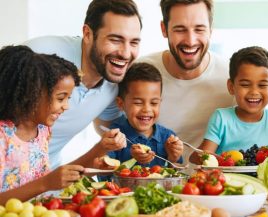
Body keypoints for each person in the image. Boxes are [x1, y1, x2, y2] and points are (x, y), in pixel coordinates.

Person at [23, 0, 142, 169]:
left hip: (48, 178)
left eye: (134, 42)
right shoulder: (39, 55)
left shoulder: (115, 83)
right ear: (87, 34)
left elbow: (113, 131)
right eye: (116, 40)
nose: (125, 53)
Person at [137, 0, 234, 161]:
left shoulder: (231, 77)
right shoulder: (139, 72)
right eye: (180, 29)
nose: (190, 40)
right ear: (164, 29)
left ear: (211, 29)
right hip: (154, 182)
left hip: (215, 182)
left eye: (199, 29)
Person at [0, 45, 84, 204]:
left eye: (68, 98)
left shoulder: (43, 130)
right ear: (31, 93)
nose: (66, 106)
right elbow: (43, 183)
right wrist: (46, 183)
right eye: (60, 98)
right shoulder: (3, 137)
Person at [189, 46, 268, 164]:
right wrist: (206, 157)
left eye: (262, 85)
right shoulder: (221, 118)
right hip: (226, 181)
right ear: (231, 87)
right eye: (245, 84)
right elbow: (201, 157)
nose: (254, 92)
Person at [107, 62, 183, 167]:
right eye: (138, 103)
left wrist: (173, 158)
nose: (147, 109)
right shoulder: (115, 137)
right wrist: (131, 158)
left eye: (154, 103)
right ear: (121, 104)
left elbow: (178, 176)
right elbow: (104, 175)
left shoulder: (168, 137)